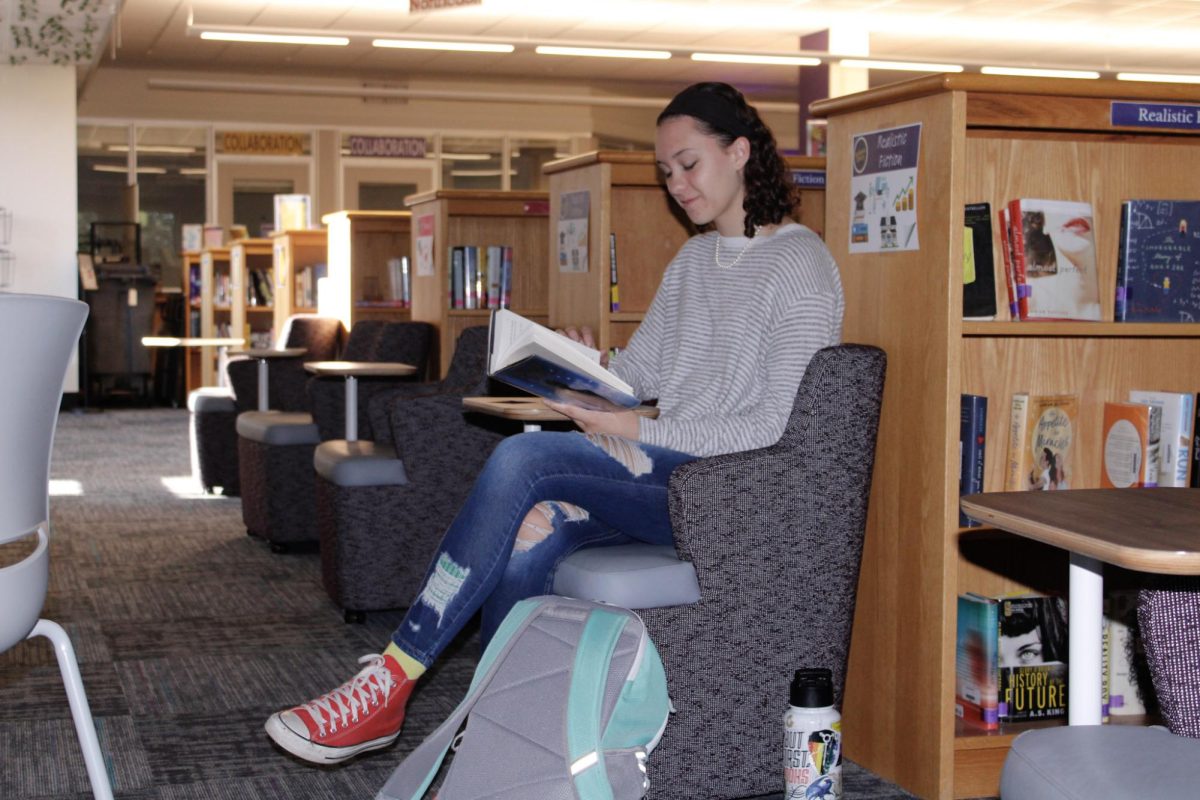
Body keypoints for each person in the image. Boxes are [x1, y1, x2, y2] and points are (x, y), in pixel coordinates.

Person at [264, 81, 846, 766]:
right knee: (529, 536)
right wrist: (585, 367)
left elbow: (775, 429)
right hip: (664, 478)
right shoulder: (693, 261)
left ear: (741, 151)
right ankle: (493, 737)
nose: (676, 185)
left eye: (688, 164)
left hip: (723, 494)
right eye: (666, 172)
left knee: (524, 462)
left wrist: (632, 430)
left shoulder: (801, 263)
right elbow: (640, 376)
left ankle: (393, 679)